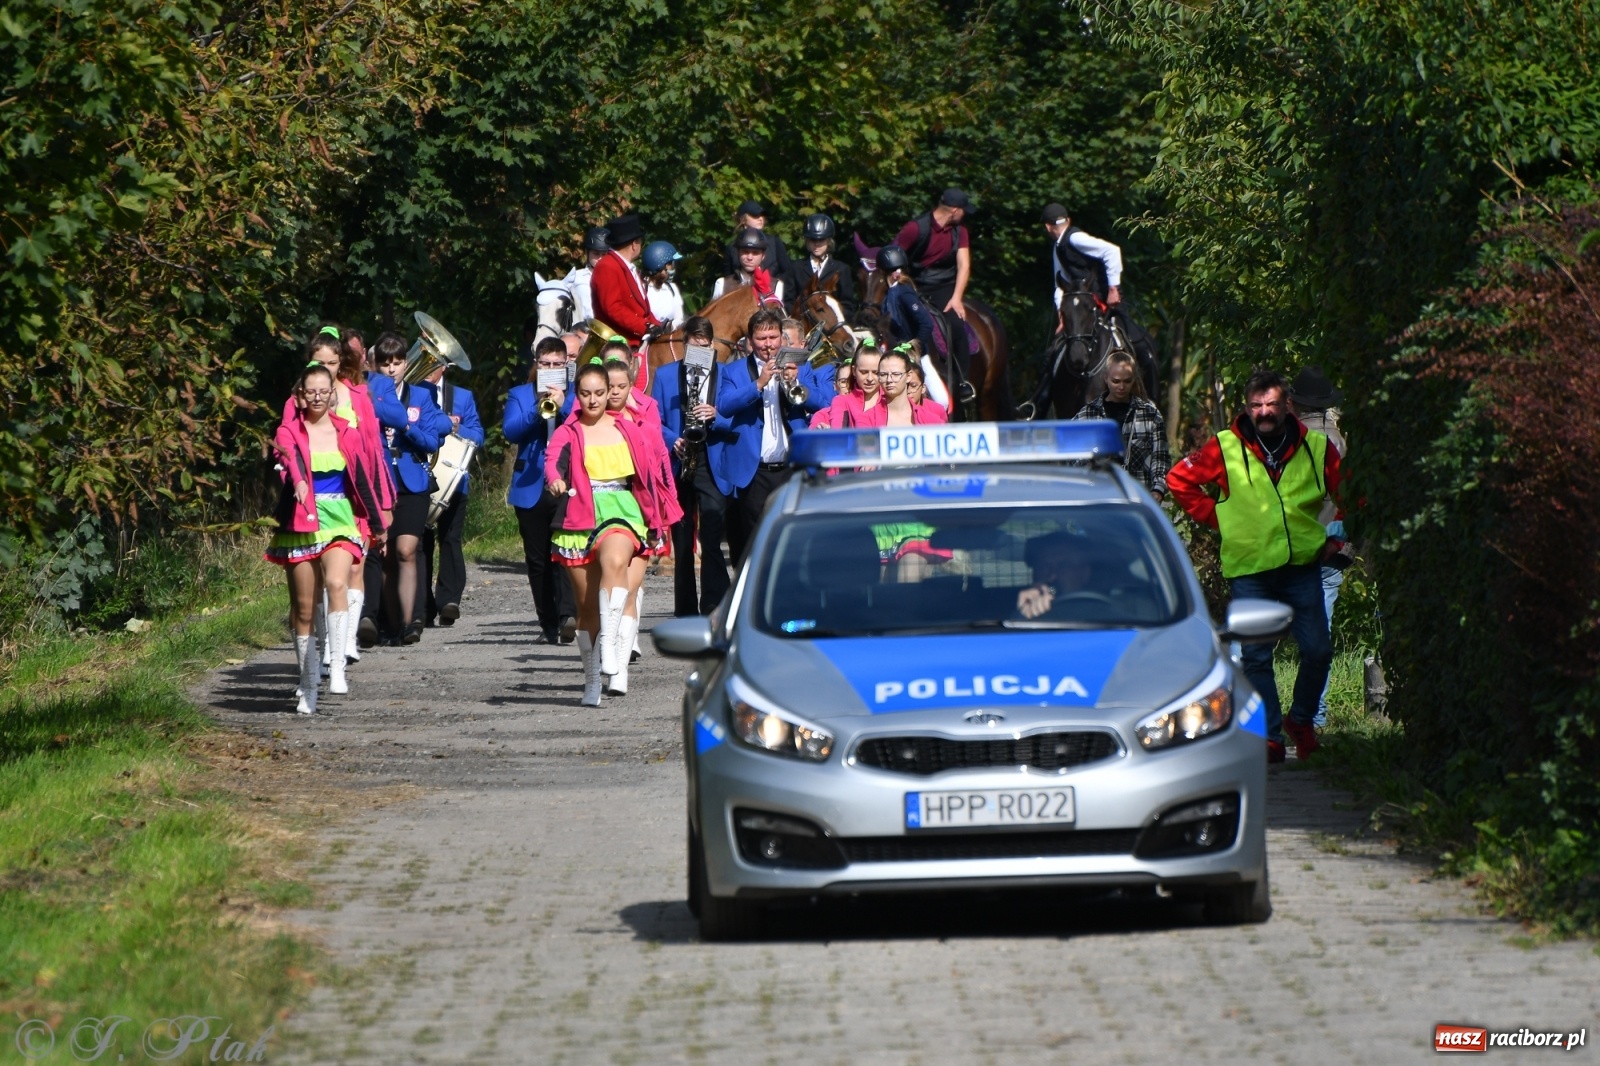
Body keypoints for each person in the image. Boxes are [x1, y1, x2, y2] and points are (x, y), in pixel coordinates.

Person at [1167, 370, 1344, 763]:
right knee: (1256, 657)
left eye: (1272, 404)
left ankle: (1301, 720)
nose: (1264, 412)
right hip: (1250, 569)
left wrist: (1338, 536)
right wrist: (1218, 517)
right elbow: (1179, 481)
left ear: (1288, 406)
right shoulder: (1225, 446)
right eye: (1256, 405)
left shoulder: (1316, 446)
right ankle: (1269, 736)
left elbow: (1349, 492)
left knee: (1318, 651)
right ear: (1246, 407)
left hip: (1301, 565)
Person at [546, 363, 682, 705]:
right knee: (586, 608)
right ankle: (592, 680)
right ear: (577, 396)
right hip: (581, 512)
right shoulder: (568, 430)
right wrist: (556, 480)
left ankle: (611, 646)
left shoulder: (629, 428)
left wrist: (657, 518)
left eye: (599, 393)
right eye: (585, 394)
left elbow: (651, 473)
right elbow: (552, 462)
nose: (593, 400)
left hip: (623, 508)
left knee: (616, 560)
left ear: (609, 393)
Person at [266, 364, 387, 713]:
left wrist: (378, 524)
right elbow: (289, 460)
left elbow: (361, 480)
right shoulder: (289, 430)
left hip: (341, 519)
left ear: (332, 393)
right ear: (300, 396)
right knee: (303, 609)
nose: (318, 398)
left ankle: (336, 665)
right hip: (302, 520)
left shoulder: (347, 432)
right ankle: (307, 683)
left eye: (324, 391)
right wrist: (299, 482)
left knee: (336, 582)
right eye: (311, 392)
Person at [712, 309, 826, 563]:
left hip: (791, 466)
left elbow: (824, 403)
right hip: (755, 471)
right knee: (756, 542)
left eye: (773, 337)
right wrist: (758, 384)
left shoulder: (801, 366)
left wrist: (797, 382)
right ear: (750, 341)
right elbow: (725, 406)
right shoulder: (734, 371)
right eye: (761, 339)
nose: (768, 345)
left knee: (792, 537)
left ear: (782, 338)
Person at [370, 331, 453, 645]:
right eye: (385, 363)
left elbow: (432, 441)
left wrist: (406, 426)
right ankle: (391, 623)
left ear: (406, 363)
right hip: (380, 480)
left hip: (412, 481)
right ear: (376, 366)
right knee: (386, 555)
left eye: (397, 362)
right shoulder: (369, 396)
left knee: (407, 550)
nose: (391, 369)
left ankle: (411, 621)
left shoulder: (420, 396)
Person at [651, 315, 734, 616]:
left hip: (710, 461)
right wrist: (671, 439)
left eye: (705, 346)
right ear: (684, 345)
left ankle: (714, 603)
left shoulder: (725, 373)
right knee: (682, 538)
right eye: (693, 346)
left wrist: (716, 416)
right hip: (679, 459)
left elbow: (737, 420)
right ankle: (685, 608)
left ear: (712, 346)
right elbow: (653, 420)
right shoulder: (665, 375)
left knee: (711, 533)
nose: (700, 351)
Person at [604, 356, 674, 693]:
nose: (615, 393)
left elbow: (659, 464)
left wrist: (663, 513)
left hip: (639, 510)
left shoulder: (645, 417)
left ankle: (620, 665)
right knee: (605, 590)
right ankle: (607, 646)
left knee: (630, 588)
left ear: (632, 385)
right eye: (610, 387)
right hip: (599, 512)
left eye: (622, 386)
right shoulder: (586, 421)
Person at [1289, 364, 1351, 729]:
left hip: (1291, 546)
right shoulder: (1340, 438)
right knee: (1320, 633)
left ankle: (1252, 715)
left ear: (1295, 403)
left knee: (1255, 628)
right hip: (1332, 544)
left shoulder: (1287, 440)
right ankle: (1314, 715)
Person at [506, 338, 579, 645]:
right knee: (537, 560)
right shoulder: (520, 394)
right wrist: (538, 410)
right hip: (531, 484)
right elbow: (510, 431)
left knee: (565, 550)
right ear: (536, 364)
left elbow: (584, 427)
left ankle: (567, 616)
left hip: (566, 481)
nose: (550, 369)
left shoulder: (576, 395)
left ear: (567, 366)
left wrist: (564, 407)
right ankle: (547, 622)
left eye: (557, 364)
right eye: (545, 364)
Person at [415, 354, 485, 628]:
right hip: (419, 477)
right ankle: (423, 605)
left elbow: (478, 435)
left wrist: (455, 426)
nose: (428, 368)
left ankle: (449, 601)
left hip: (453, 481)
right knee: (420, 542)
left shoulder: (462, 396)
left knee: (451, 538)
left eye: (434, 362)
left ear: (444, 368)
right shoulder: (411, 393)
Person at [893, 188, 973, 392]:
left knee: (957, 325)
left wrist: (957, 298)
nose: (965, 214)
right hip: (914, 286)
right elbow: (894, 256)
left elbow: (964, 265)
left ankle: (963, 380)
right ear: (954, 210)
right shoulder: (915, 228)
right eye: (963, 210)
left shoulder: (960, 231)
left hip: (944, 287)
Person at [1072, 349, 1171, 500]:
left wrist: (1158, 490)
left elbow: (1160, 457)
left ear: (1134, 379)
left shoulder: (1150, 414)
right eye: (1116, 381)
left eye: (1127, 381)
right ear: (1105, 378)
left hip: (1137, 496)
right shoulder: (1087, 415)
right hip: (1098, 496)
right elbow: (1073, 455)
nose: (1121, 387)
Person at [590, 214, 662, 354]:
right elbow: (613, 308)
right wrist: (645, 327)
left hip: (635, 340)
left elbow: (643, 311)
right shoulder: (607, 266)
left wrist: (658, 325)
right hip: (618, 346)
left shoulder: (627, 267)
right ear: (634, 244)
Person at [1041, 203, 1123, 311]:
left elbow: (1112, 251)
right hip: (1082, 303)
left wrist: (1113, 289)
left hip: (1105, 297)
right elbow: (1061, 282)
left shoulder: (1075, 238)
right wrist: (1060, 309)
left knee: (1124, 322)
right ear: (1068, 220)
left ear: (1047, 227)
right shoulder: (1058, 247)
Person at [1014, 532, 1111, 620]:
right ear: (1035, 572)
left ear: (1085, 573)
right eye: (1044, 566)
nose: (1052, 575)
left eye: (1063, 565)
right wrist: (1026, 614)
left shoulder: (1106, 614)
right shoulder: (1024, 608)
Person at [789, 212, 854, 314]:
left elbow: (848, 305)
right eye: (812, 240)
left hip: (832, 321)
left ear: (829, 241)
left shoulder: (842, 269)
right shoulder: (796, 268)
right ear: (807, 241)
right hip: (803, 321)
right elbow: (789, 301)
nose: (817, 244)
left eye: (821, 239)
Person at [877, 246, 936, 356]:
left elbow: (926, 324)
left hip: (914, 355)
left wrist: (913, 347)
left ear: (882, 271)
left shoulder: (904, 292)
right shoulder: (888, 294)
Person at [719, 199, 791, 281]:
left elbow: (787, 272)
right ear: (743, 219)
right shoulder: (732, 247)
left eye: (762, 215)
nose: (760, 219)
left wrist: (774, 285)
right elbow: (728, 279)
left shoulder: (774, 242)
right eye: (755, 215)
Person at [713, 228, 785, 307]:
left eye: (755, 253)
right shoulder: (722, 284)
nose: (750, 257)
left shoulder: (776, 285)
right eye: (745, 252)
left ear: (763, 256)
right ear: (738, 253)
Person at [877, 348, 947, 427]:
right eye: (883, 374)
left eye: (896, 374)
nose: (889, 380)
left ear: (908, 376)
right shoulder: (869, 418)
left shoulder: (933, 419)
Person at [826, 345, 883, 428]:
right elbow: (837, 430)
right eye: (864, 372)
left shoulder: (891, 400)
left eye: (876, 372)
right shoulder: (842, 401)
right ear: (854, 371)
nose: (870, 378)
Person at [569, 225, 610, 326]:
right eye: (596, 254)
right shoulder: (576, 277)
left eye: (604, 255)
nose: (600, 258)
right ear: (587, 253)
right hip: (580, 328)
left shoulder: (616, 278)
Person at [641, 240, 684, 330]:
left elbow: (679, 317)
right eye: (670, 264)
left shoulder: (672, 288)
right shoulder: (642, 288)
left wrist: (672, 325)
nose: (673, 268)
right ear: (660, 266)